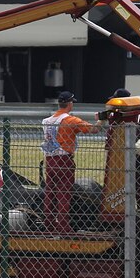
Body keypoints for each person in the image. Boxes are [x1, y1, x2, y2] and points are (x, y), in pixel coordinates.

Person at [41, 90, 104, 233]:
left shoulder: (47, 121)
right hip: (64, 160)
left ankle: (48, 224)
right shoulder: (71, 120)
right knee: (64, 194)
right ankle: (63, 226)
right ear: (69, 104)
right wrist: (101, 119)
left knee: (50, 192)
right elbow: (94, 129)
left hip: (50, 160)